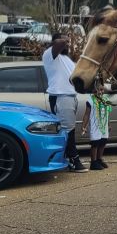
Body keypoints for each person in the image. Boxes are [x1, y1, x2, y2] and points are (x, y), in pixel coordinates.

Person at [42, 33, 87, 172]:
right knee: (68, 131)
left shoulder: (66, 59)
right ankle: (74, 160)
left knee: (69, 129)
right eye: (63, 40)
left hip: (70, 96)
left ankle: (66, 158)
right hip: (60, 96)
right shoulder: (50, 54)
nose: (66, 43)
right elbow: (59, 44)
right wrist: (65, 39)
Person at [80, 93, 112, 170]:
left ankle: (99, 159)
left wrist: (108, 124)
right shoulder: (90, 100)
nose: (100, 92)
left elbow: (107, 113)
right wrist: (83, 126)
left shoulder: (105, 99)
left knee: (103, 142)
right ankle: (93, 162)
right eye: (99, 90)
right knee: (95, 143)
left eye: (102, 90)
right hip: (95, 126)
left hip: (103, 125)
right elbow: (87, 114)